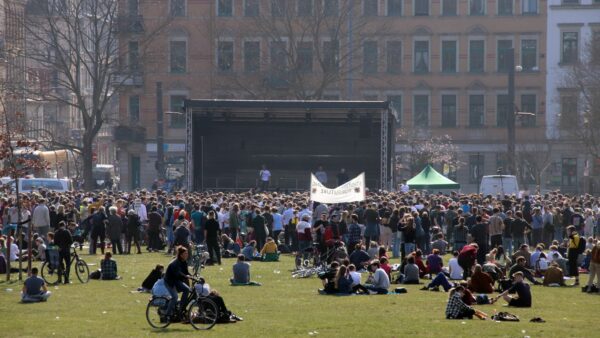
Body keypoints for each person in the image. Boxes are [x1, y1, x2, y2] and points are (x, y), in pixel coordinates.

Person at [164, 246, 193, 319]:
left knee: (187, 289)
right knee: (175, 297)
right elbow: (178, 273)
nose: (187, 255)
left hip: (176, 280)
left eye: (187, 253)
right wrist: (186, 276)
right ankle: (167, 315)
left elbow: (186, 272)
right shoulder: (175, 263)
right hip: (170, 282)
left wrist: (193, 276)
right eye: (185, 253)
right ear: (181, 255)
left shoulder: (184, 262)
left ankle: (181, 307)